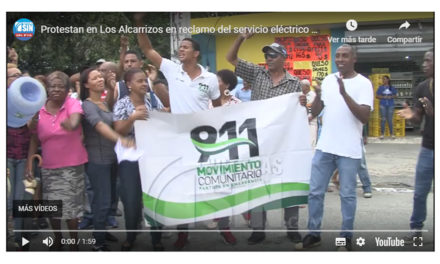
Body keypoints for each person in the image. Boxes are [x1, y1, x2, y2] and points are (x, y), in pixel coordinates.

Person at [135, 13, 221, 250]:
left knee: (213, 182)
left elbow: (220, 110)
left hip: (203, 142)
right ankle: (183, 233)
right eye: (179, 47)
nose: (180, 50)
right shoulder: (172, 69)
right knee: (181, 187)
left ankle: (224, 226)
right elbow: (147, 48)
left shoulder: (211, 79)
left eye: (185, 47)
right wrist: (140, 22)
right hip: (177, 141)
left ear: (196, 54)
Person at [226, 31, 306, 245]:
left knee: (288, 183)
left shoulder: (294, 83)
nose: (268, 58)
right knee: (257, 185)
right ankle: (258, 229)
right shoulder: (256, 74)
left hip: (283, 142)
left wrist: (303, 104)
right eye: (267, 55)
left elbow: (299, 111)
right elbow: (231, 58)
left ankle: (292, 228)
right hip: (258, 141)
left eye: (273, 55)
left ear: (283, 59)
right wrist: (241, 38)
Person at [302, 44, 373, 251]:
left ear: (354, 59)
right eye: (338, 56)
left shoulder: (364, 84)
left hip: (349, 150)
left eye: (345, 56)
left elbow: (364, 116)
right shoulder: (328, 80)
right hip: (325, 147)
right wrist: (316, 97)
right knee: (315, 192)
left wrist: (344, 93)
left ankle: (345, 239)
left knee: (348, 196)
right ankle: (313, 234)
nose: (340, 59)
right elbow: (316, 111)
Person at [26, 71, 88, 251]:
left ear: (68, 89)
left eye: (60, 86)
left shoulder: (72, 103)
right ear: (47, 89)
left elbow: (76, 119)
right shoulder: (40, 108)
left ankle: (73, 242)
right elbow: (33, 137)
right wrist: (29, 162)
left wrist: (71, 124)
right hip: (49, 166)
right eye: (52, 86)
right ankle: (58, 239)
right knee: (52, 206)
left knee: (71, 207)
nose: (56, 90)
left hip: (72, 165)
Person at [80, 67, 134, 251]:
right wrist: (122, 139)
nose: (99, 79)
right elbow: (100, 125)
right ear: (86, 84)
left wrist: (111, 86)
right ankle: (97, 243)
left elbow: (112, 109)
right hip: (98, 160)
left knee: (110, 199)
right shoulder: (87, 105)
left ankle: (101, 232)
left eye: (100, 76)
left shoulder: (103, 103)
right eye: (94, 78)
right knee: (101, 201)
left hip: (112, 159)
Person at [113, 68, 160, 250]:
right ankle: (130, 237)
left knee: (153, 198)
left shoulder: (152, 101)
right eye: (139, 81)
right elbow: (118, 131)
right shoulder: (122, 104)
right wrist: (132, 118)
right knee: (131, 199)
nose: (143, 84)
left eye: (145, 80)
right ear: (129, 85)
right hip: (129, 159)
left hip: (151, 157)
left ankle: (157, 239)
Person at [398, 49, 434, 243]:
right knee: (420, 192)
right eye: (424, 60)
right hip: (428, 148)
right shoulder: (421, 87)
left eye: (429, 60)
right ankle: (416, 230)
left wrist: (433, 112)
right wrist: (412, 116)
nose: (424, 64)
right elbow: (418, 118)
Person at [6, 64, 29, 250]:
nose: (17, 78)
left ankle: (20, 239)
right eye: (13, 76)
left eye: (19, 75)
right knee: (6, 199)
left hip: (23, 156)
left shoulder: (28, 98)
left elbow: (35, 132)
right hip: (5, 158)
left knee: (20, 199)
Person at [301, 79, 318, 147]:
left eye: (302, 86)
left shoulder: (313, 95)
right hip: (302, 123)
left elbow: (316, 109)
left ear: (307, 86)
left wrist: (310, 117)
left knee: (311, 142)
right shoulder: (300, 95)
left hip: (311, 123)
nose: (300, 87)